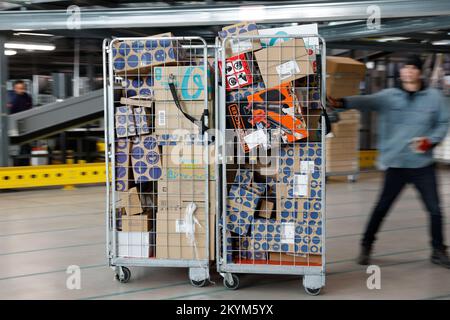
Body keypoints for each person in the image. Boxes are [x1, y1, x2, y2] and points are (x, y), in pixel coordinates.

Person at [327, 54, 450, 268]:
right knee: (382, 208)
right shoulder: (389, 96)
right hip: (396, 164)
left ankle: (438, 251)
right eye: (405, 67)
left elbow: (442, 122)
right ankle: (366, 246)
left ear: (420, 72)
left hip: (423, 165)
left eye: (413, 68)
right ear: (401, 72)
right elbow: (365, 101)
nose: (408, 71)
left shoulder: (434, 97)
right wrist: (340, 102)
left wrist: (431, 141)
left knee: (435, 210)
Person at [8, 80, 33, 166]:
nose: (21, 90)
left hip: (24, 126)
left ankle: (24, 165)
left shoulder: (27, 97)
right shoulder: (9, 97)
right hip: (11, 126)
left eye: (23, 88)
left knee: (25, 147)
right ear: (14, 88)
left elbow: (30, 110)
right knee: (13, 148)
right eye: (19, 88)